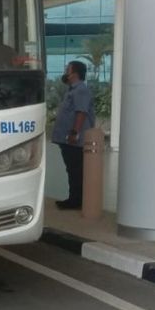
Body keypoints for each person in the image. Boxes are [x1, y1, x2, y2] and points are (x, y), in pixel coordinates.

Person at [51, 60, 96, 211]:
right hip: (68, 139)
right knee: (72, 169)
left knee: (75, 169)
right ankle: (74, 198)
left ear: (75, 74)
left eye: (67, 70)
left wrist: (74, 132)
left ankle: (76, 200)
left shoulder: (80, 90)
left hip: (74, 140)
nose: (65, 73)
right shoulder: (72, 90)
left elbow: (81, 112)